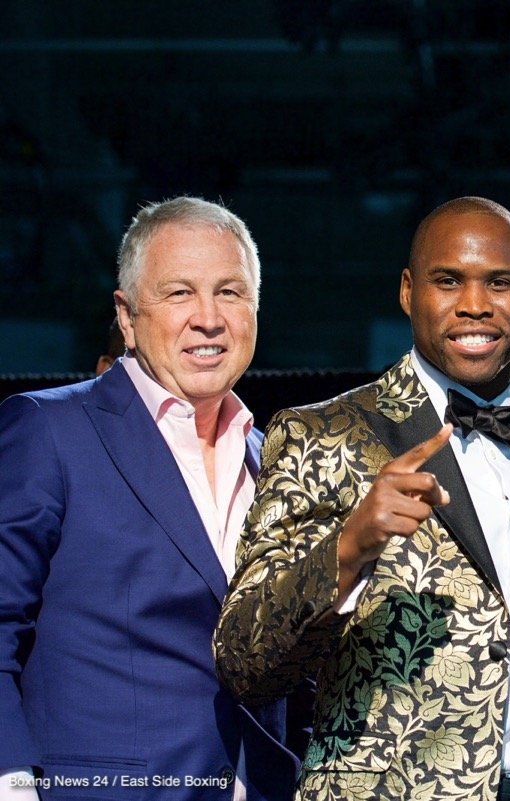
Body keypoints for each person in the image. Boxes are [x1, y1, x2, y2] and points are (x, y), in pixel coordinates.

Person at [214, 196, 510, 801]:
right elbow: (243, 663)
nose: (475, 305)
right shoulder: (321, 434)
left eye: (500, 282)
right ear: (407, 292)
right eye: (448, 282)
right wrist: (348, 550)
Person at [0, 197, 298, 799]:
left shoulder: (276, 460)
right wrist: (9, 782)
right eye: (179, 293)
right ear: (128, 316)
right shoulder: (48, 431)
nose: (209, 318)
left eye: (231, 293)